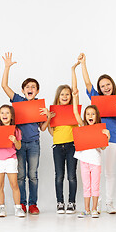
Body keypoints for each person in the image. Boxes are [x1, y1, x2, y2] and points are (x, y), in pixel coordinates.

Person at [1, 52, 52, 214]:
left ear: (37, 91)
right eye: (27, 87)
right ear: (23, 90)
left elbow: (43, 128)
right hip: (19, 143)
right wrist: (7, 67)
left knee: (33, 175)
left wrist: (48, 116)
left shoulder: (39, 105)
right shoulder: (17, 100)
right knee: (21, 175)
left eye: (33, 87)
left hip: (34, 143)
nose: (30, 89)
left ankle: (33, 204)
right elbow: (4, 86)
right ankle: (22, 203)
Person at [79, 53, 116, 214]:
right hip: (95, 139)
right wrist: (83, 64)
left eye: (108, 85)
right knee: (95, 172)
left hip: (112, 138)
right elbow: (87, 82)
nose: (106, 87)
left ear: (112, 85)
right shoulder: (96, 98)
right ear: (99, 89)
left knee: (109, 172)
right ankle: (96, 204)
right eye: (102, 86)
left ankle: (109, 203)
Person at [0, 95, 26, 217]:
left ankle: (18, 208)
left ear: (11, 115)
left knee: (14, 185)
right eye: (2, 113)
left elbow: (18, 147)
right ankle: (2, 208)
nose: (4, 115)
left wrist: (14, 140)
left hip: (11, 160)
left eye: (7, 113)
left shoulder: (16, 130)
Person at [46, 61, 79, 214]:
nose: (65, 96)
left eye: (67, 94)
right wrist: (48, 118)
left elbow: (75, 91)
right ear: (58, 97)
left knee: (71, 175)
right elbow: (52, 132)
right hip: (58, 146)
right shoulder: (54, 111)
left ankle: (71, 202)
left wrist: (73, 70)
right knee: (59, 176)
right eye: (62, 94)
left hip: (72, 145)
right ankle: (60, 202)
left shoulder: (74, 110)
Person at [72, 89, 110, 218]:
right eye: (88, 114)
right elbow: (76, 112)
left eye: (93, 114)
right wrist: (75, 97)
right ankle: (86, 209)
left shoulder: (101, 129)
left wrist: (107, 136)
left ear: (96, 116)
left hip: (95, 162)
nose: (90, 116)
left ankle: (94, 209)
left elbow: (103, 148)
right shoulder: (83, 126)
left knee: (95, 186)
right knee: (86, 186)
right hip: (84, 162)